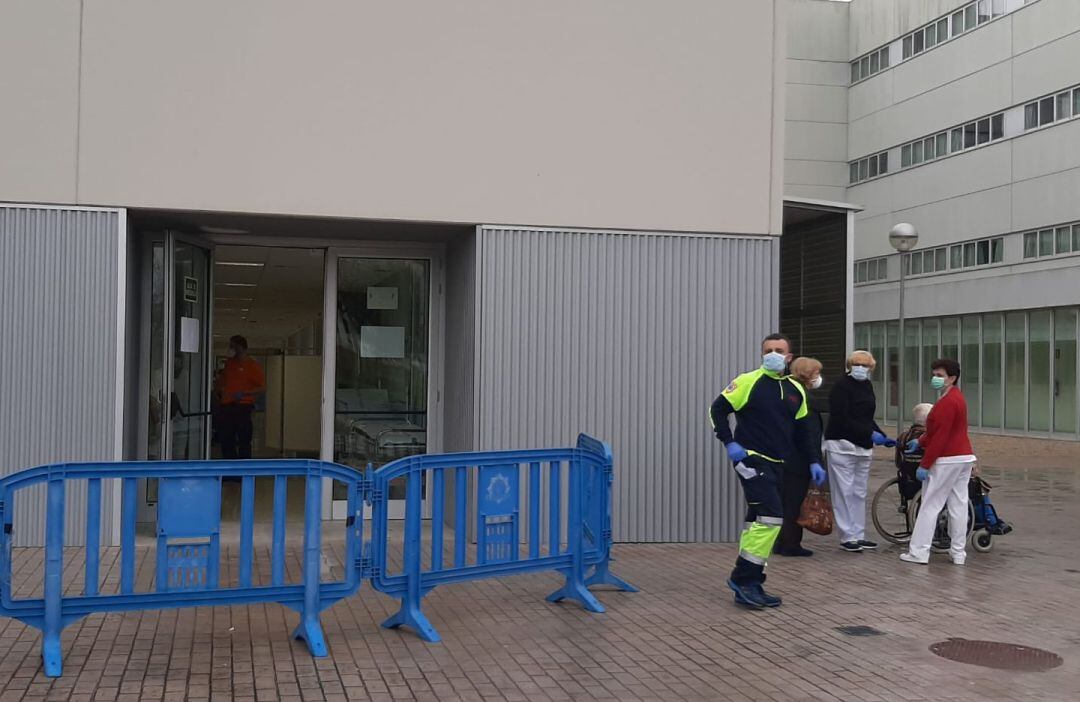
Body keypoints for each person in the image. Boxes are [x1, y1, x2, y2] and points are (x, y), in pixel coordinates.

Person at [710, 333, 826, 609]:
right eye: (768, 350)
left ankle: (751, 580)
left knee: (757, 520)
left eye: (779, 350)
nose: (773, 354)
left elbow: (803, 432)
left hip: (778, 462)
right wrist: (730, 443)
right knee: (772, 516)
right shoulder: (748, 381)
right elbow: (717, 410)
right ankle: (744, 579)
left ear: (789, 357)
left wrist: (814, 460)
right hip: (751, 459)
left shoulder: (795, 390)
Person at [901, 358, 975, 565]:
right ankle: (958, 552)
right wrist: (921, 440)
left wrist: (925, 464)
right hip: (963, 457)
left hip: (947, 459)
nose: (935, 378)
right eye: (934, 374)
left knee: (930, 505)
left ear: (952, 378)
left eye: (940, 375)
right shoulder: (957, 398)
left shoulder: (946, 402)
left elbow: (940, 436)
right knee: (958, 505)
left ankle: (919, 552)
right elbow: (943, 431)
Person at [825, 350, 896, 552]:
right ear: (850, 365)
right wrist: (870, 433)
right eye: (857, 364)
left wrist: (880, 434)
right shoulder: (841, 386)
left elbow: (866, 417)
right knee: (844, 491)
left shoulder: (866, 385)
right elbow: (841, 418)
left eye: (865, 365)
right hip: (842, 444)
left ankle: (858, 533)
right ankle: (847, 535)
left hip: (862, 446)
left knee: (859, 492)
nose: (861, 368)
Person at [774, 356, 825, 557]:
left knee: (785, 500)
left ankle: (782, 541)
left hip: (784, 456)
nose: (818, 377)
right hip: (798, 459)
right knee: (794, 502)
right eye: (816, 373)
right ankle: (790, 543)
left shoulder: (786, 391)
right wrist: (815, 460)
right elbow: (808, 433)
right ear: (808, 374)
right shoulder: (803, 398)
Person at [214, 335, 265, 459]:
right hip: (227, 405)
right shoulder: (230, 364)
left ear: (241, 347)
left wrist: (245, 393)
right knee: (226, 439)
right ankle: (230, 470)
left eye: (233, 346)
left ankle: (243, 470)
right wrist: (217, 393)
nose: (231, 349)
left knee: (244, 439)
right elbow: (222, 381)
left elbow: (262, 387)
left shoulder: (252, 366)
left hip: (243, 406)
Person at [894, 403, 934, 500]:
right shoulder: (930, 437)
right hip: (928, 475)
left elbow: (898, 461)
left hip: (908, 477)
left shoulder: (903, 436)